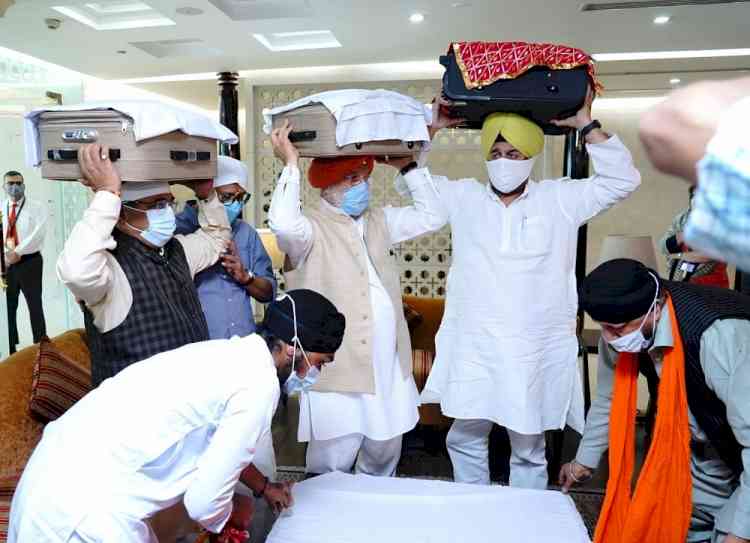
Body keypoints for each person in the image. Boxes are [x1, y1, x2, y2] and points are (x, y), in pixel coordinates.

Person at [417, 87, 641, 489]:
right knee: (465, 436)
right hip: (475, 343)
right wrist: (431, 131)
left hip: (533, 346)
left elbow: (623, 180)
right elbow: (415, 185)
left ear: (533, 157)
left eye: (515, 154)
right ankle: (472, 513)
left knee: (528, 443)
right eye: (497, 154)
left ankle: (528, 519)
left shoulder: (560, 198)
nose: (505, 163)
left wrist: (585, 124)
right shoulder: (464, 196)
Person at [8, 288, 346, 543]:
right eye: (320, 361)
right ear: (293, 346)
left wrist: (261, 488)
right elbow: (204, 502)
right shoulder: (258, 387)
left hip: (54, 478)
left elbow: (218, 442)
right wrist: (230, 513)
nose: (317, 371)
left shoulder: (232, 356)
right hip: (77, 509)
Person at [268, 120, 445, 477]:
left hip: (388, 367)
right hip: (338, 370)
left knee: (383, 456)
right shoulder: (308, 228)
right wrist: (290, 164)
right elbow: (283, 225)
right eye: (351, 179)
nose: (360, 186)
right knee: (331, 467)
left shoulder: (380, 220)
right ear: (326, 184)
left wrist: (408, 167)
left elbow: (434, 215)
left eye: (363, 179)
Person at [560, 258, 750, 543]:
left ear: (656, 308)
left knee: (732, 531)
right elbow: (608, 399)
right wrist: (583, 462)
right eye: (603, 327)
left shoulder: (719, 336)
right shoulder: (621, 328)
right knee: (683, 517)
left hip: (742, 431)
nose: (610, 338)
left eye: (618, 328)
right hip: (708, 441)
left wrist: (740, 533)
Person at [57, 143, 231, 386]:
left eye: (168, 203)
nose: (167, 212)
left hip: (191, 401)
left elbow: (217, 239)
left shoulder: (177, 250)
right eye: (156, 205)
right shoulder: (109, 269)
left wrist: (205, 195)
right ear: (120, 214)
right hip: (137, 414)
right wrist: (107, 193)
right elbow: (76, 272)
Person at [640, 76, 750, 273]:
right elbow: (664, 246)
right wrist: (680, 239)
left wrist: (683, 254)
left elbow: (716, 252)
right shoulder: (682, 219)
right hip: (681, 279)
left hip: (712, 284)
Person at [176, 155, 276, 339]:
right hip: (201, 347)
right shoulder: (179, 231)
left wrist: (246, 278)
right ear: (207, 194)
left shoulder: (246, 234)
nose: (235, 205)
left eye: (241, 198)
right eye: (227, 197)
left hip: (243, 344)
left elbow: (268, 293)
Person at [2, 170, 48, 353]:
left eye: (18, 183)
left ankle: (42, 347)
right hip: (6, 264)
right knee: (8, 307)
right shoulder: (1, 207)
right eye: (10, 183)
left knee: (34, 304)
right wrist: (6, 255)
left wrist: (18, 252)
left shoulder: (37, 207)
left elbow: (39, 233)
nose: (15, 187)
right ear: (4, 187)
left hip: (30, 262)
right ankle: (10, 346)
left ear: (24, 185)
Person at [660, 186, 729, 288]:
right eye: (693, 196)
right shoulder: (682, 219)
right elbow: (664, 246)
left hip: (709, 288)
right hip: (680, 282)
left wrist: (678, 256)